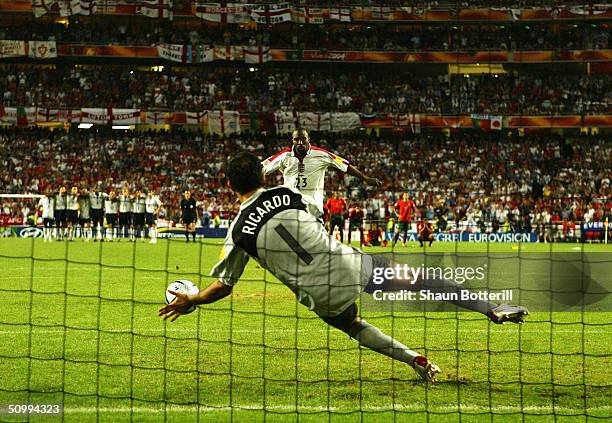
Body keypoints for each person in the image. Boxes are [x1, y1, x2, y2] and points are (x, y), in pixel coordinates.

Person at [159, 152, 529, 382]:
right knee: (419, 281)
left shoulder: (238, 231)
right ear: (263, 176)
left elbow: (223, 286)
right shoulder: (289, 194)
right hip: (347, 263)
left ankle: (415, 359)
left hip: (319, 294)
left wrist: (191, 299)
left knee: (351, 324)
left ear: (228, 184)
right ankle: (489, 307)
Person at [262, 129, 382, 219]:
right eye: (296, 139)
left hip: (314, 209)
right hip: (291, 208)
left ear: (308, 139)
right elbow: (261, 168)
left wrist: (365, 178)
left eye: (303, 139)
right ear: (292, 141)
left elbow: (345, 166)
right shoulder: (284, 155)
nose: (300, 142)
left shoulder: (321, 154)